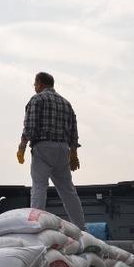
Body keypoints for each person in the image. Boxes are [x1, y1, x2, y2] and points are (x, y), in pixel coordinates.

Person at [17, 72, 86, 230]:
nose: (34, 87)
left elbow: (30, 127)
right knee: (68, 190)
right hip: (63, 149)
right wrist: (74, 153)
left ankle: (36, 224)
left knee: (39, 186)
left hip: (43, 147)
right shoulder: (66, 103)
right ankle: (81, 227)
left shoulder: (37, 99)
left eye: (35, 84)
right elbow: (74, 132)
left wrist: (22, 147)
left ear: (40, 83)